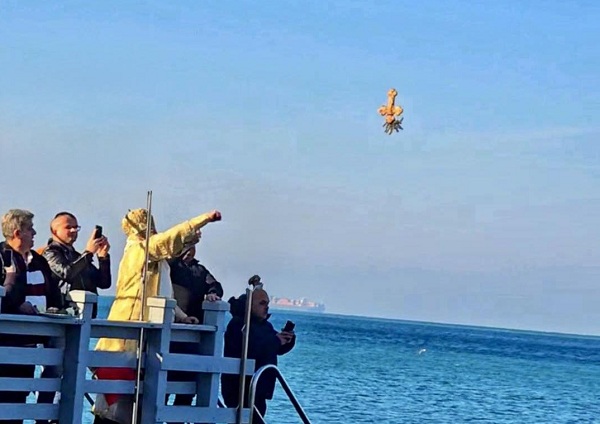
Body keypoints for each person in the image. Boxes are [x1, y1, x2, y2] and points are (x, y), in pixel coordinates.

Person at [92, 208, 222, 424]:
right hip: (127, 335)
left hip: (148, 340)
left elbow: (163, 295)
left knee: (139, 399)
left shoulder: (158, 260)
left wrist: (181, 316)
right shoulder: (138, 250)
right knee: (115, 402)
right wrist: (202, 220)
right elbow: (166, 241)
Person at [37, 212, 113, 409]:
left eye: (76, 227)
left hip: (81, 321)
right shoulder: (50, 253)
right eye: (68, 227)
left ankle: (63, 412)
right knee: (55, 369)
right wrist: (88, 253)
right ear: (54, 230)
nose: (73, 231)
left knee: (73, 369)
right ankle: (44, 414)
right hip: (61, 319)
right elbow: (67, 273)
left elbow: (104, 282)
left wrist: (103, 258)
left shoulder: (79, 257)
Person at [0, 209, 61, 424]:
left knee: (21, 393)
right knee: (6, 394)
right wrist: (17, 305)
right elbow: (6, 295)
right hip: (8, 341)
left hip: (33, 341)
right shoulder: (2, 256)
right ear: (18, 233)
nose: (35, 233)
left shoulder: (38, 260)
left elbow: (52, 292)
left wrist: (56, 309)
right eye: (30, 229)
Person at [221, 286, 296, 423]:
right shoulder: (238, 324)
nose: (266, 307)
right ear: (250, 305)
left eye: (267, 304)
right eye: (262, 303)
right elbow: (251, 348)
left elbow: (275, 348)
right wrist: (276, 341)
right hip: (240, 388)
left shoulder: (265, 326)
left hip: (259, 389)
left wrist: (287, 340)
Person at [167, 235, 224, 410]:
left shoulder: (199, 270)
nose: (188, 252)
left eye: (191, 248)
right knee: (164, 382)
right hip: (170, 332)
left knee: (188, 384)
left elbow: (216, 285)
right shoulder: (169, 267)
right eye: (185, 247)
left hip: (193, 332)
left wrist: (213, 293)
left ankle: (177, 420)